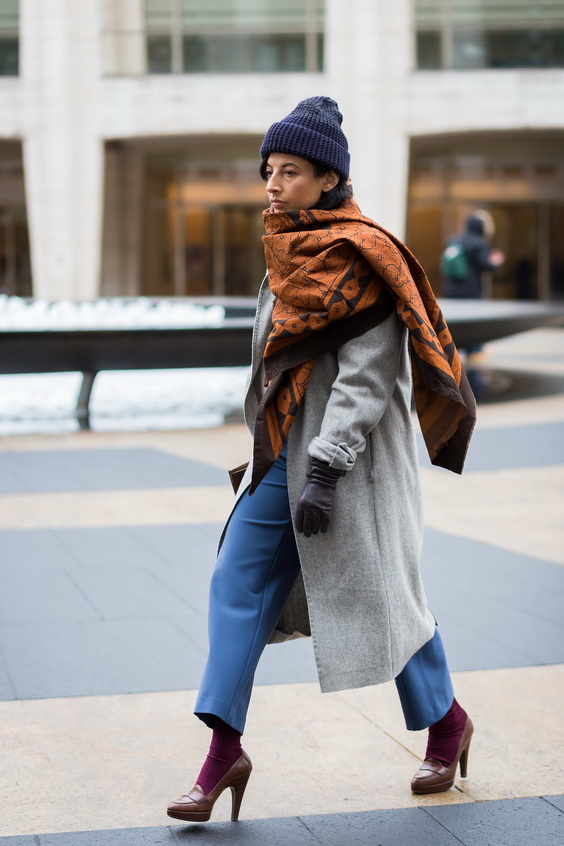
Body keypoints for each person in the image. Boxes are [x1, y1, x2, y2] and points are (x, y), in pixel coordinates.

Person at [167, 97, 477, 824]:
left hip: (351, 465)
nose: (274, 185)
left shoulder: (366, 256)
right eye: (269, 171)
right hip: (280, 456)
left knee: (387, 597)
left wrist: (328, 468)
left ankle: (447, 723)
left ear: (329, 178)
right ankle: (222, 755)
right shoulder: (283, 254)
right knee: (234, 583)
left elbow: (366, 380)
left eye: (291, 172)